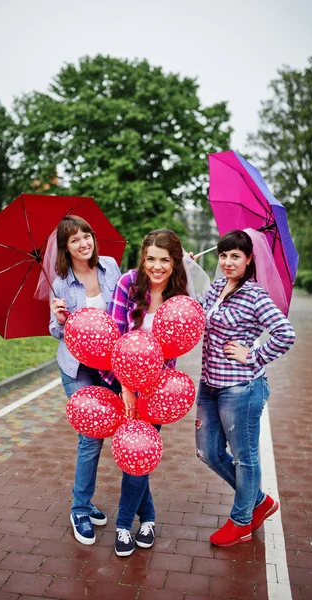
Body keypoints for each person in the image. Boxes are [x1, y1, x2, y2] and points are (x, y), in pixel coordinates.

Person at [194, 229, 296, 548]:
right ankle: (260, 501)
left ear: (249, 259)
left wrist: (252, 355)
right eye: (223, 255)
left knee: (244, 458)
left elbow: (285, 334)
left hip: (241, 388)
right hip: (209, 385)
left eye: (235, 255)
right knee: (207, 452)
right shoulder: (215, 289)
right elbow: (192, 311)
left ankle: (241, 521)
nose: (227, 261)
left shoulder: (254, 295)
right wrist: (185, 267)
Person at [107, 229, 189, 557]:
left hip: (158, 390)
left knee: (139, 456)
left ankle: (124, 525)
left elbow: (175, 347)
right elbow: (115, 335)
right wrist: (127, 387)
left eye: (165, 260)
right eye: (151, 259)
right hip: (123, 384)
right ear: (143, 259)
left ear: (174, 263)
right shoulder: (129, 283)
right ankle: (146, 519)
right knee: (135, 455)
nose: (156, 266)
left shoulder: (178, 295)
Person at [49, 215, 121, 546]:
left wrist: (179, 268)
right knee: (90, 435)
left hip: (109, 366)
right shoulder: (61, 281)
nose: (84, 242)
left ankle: (87, 500)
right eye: (75, 239)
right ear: (66, 248)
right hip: (77, 367)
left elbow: (127, 306)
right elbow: (56, 331)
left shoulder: (109, 267)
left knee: (104, 433)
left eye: (87, 235)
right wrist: (61, 319)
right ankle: (79, 508)